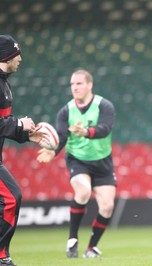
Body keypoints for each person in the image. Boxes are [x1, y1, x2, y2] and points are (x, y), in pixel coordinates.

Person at [37, 69, 117, 259]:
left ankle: (91, 248)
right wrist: (52, 151)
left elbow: (104, 129)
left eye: (79, 83)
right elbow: (62, 137)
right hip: (78, 160)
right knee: (83, 192)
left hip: (103, 161)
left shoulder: (104, 106)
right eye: (72, 84)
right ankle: (72, 240)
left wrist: (86, 132)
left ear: (89, 85)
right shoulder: (66, 111)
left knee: (107, 206)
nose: (75, 87)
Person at [0, 35, 46, 266]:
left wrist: (26, 134)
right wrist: (19, 124)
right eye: (16, 53)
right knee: (11, 198)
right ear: (5, 56)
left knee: (11, 198)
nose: (20, 58)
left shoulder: (4, 84)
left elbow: (2, 124)